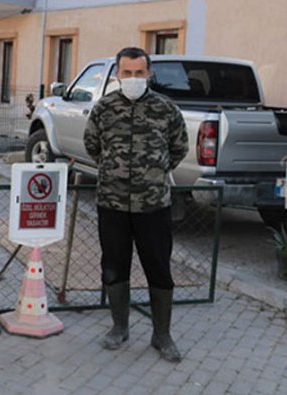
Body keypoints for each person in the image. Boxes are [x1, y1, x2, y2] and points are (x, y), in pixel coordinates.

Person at [83, 47, 189, 362]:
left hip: (153, 205)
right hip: (112, 204)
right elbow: (93, 146)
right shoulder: (103, 108)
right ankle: (119, 327)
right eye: (126, 73)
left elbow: (179, 146)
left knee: (159, 268)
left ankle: (162, 334)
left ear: (149, 74)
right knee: (114, 266)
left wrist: (153, 172)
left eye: (138, 73)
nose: (132, 79)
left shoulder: (166, 109)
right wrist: (115, 171)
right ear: (117, 74)